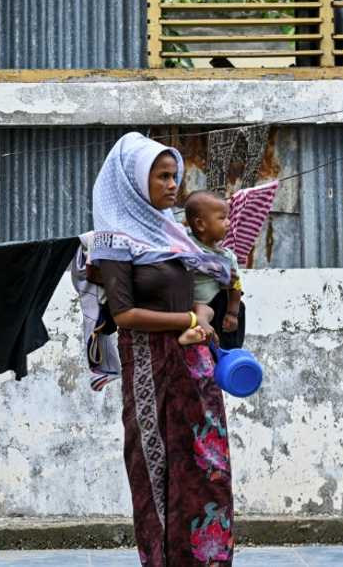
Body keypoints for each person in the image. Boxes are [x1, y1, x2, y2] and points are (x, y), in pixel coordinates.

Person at [91, 132, 235, 567]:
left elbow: (197, 296)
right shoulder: (114, 240)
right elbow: (124, 315)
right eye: (163, 176)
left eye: (176, 176)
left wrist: (203, 317)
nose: (173, 185)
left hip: (194, 366)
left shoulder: (172, 233)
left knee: (207, 470)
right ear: (134, 181)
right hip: (149, 368)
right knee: (157, 470)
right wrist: (188, 321)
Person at [183, 190, 246, 350]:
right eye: (222, 218)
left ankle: (229, 360)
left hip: (220, 312)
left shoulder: (227, 257)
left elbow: (236, 286)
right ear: (200, 224)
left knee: (224, 346)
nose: (228, 223)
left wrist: (232, 313)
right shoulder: (186, 248)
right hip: (191, 310)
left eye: (228, 217)